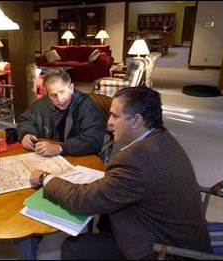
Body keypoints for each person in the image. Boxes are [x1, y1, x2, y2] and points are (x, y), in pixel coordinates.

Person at [30, 87, 211, 260]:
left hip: (168, 249)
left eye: (115, 116)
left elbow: (83, 201)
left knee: (73, 247)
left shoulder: (136, 160)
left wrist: (46, 178)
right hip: (178, 231)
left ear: (136, 120)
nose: (108, 122)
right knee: (104, 219)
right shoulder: (161, 136)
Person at [16, 69, 105, 157]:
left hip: (80, 157)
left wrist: (60, 148)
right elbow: (25, 120)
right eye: (53, 95)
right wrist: (26, 134)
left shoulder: (87, 105)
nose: (59, 99)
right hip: (49, 157)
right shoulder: (42, 104)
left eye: (62, 92)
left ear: (71, 88)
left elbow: (93, 139)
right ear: (47, 94)